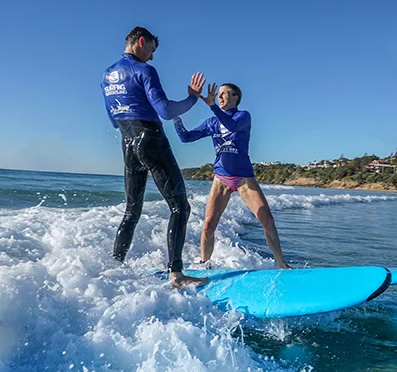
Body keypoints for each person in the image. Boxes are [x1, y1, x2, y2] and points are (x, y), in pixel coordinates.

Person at [101, 26, 208, 288]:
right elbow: (166, 110)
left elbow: (113, 120)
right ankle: (177, 274)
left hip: (127, 143)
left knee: (131, 211)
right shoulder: (144, 70)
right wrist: (192, 99)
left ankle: (116, 267)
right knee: (180, 207)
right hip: (151, 139)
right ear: (140, 42)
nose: (152, 56)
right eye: (151, 49)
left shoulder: (106, 75)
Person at [173, 82, 291, 269]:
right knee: (208, 226)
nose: (219, 97)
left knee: (267, 220)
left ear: (235, 97)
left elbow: (233, 126)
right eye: (218, 94)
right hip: (221, 178)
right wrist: (176, 119)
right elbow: (186, 138)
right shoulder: (211, 122)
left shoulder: (243, 116)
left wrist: (212, 106)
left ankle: (282, 264)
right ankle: (205, 264)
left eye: (224, 94)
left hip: (244, 179)